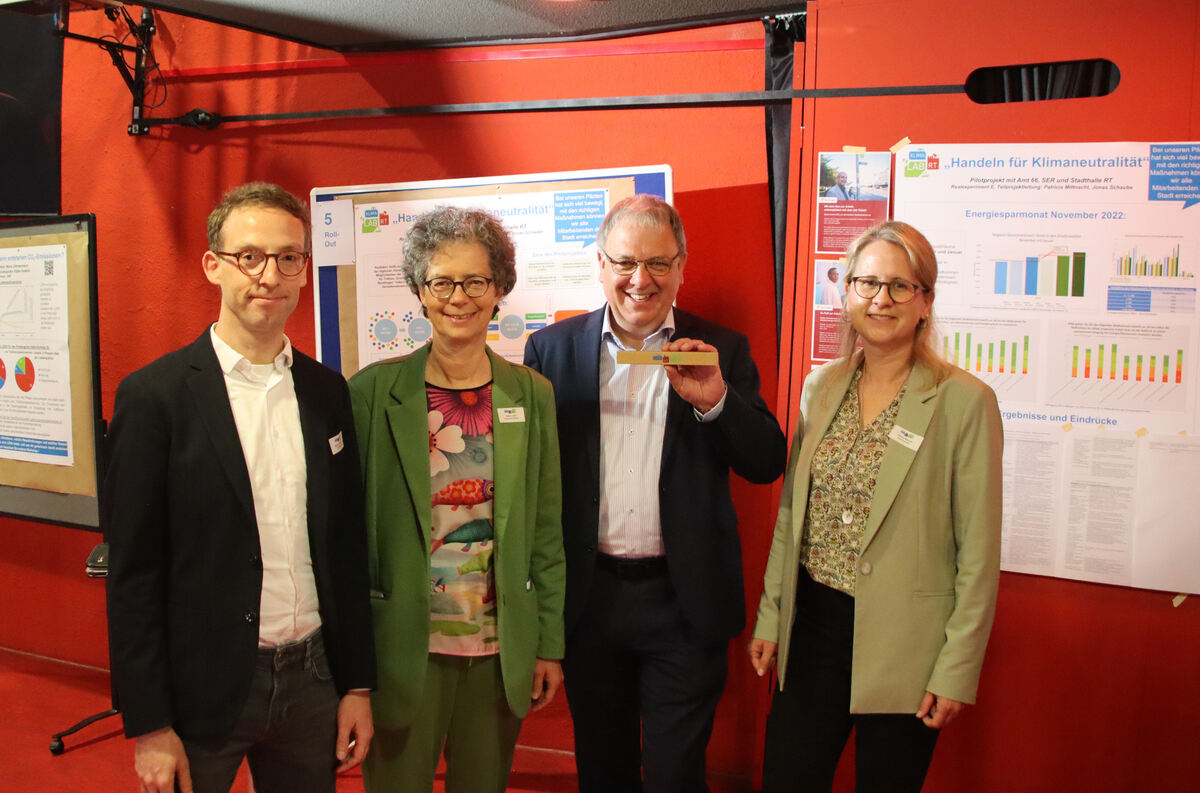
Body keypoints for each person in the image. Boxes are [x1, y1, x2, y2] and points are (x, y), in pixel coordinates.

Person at [105, 182, 376, 793]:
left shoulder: (327, 392)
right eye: (249, 256)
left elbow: (345, 547)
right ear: (213, 265)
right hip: (203, 686)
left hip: (314, 680)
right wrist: (150, 724)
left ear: (304, 269)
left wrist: (357, 684)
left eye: (288, 257)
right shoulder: (154, 398)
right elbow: (133, 574)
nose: (269, 276)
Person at [524, 194, 787, 793]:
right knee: (603, 771)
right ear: (600, 264)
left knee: (675, 777)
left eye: (658, 263)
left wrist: (716, 402)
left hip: (683, 602)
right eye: (625, 262)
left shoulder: (720, 348)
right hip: (589, 601)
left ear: (681, 267)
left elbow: (767, 462)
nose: (640, 280)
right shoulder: (551, 351)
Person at [750, 221, 1003, 793]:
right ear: (846, 294)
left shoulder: (965, 403)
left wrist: (956, 669)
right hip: (813, 631)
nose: (880, 299)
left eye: (899, 286)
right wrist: (772, 616)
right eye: (866, 283)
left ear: (925, 301)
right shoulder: (820, 386)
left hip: (907, 644)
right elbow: (793, 517)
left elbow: (979, 553)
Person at [348, 206, 565, 793]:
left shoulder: (532, 394)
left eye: (475, 281)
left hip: (498, 648)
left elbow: (546, 529)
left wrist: (548, 644)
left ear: (499, 289)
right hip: (402, 646)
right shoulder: (372, 392)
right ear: (420, 292)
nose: (458, 298)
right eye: (441, 282)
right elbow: (349, 535)